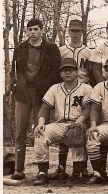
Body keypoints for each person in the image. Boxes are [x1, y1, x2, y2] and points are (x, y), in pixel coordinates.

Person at [9, 18, 62, 181]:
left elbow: (56, 72)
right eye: (30, 29)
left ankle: (42, 170)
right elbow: (14, 71)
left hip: (42, 94)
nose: (33, 32)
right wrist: (13, 87)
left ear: (42, 31)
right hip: (23, 94)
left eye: (36, 29)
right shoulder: (20, 49)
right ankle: (19, 169)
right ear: (26, 31)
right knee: (20, 133)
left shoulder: (52, 48)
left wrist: (44, 86)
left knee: (41, 131)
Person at [33, 58, 92, 185]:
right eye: (64, 70)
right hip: (60, 124)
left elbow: (87, 109)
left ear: (77, 72)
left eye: (70, 70)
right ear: (60, 73)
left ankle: (78, 171)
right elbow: (44, 109)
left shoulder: (86, 88)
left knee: (76, 132)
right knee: (40, 133)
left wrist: (79, 122)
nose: (67, 73)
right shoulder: (54, 88)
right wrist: (41, 123)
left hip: (79, 123)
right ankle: (42, 172)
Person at [53, 19, 93, 180]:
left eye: (78, 31)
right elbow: (57, 73)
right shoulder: (62, 50)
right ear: (68, 32)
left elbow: (91, 74)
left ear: (82, 32)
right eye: (72, 31)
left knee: (80, 129)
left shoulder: (89, 52)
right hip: (65, 91)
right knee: (63, 125)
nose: (75, 34)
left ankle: (81, 167)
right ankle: (61, 167)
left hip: (84, 90)